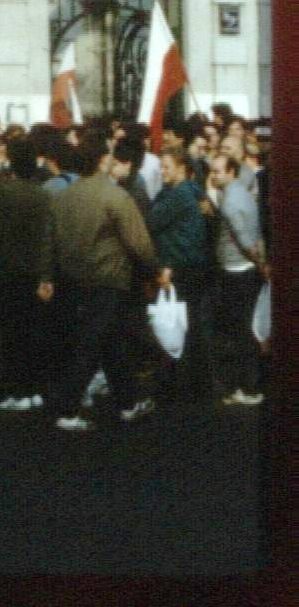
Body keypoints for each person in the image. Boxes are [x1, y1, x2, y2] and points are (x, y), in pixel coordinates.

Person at [38, 141, 161, 432]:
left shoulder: (63, 197)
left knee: (111, 342)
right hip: (109, 278)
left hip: (73, 279)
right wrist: (152, 273)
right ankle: (68, 408)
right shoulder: (115, 196)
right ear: (102, 160)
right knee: (93, 344)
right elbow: (139, 244)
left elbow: (48, 242)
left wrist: (47, 277)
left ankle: (129, 403)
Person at [0, 137, 52, 412]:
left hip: (10, 267)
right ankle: (35, 389)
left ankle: (18, 390)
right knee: (35, 330)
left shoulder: (2, 192)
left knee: (12, 331)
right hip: (37, 267)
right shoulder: (44, 193)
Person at [147, 145, 216, 403]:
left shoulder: (177, 196)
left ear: (182, 168)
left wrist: (167, 265)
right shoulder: (192, 191)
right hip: (192, 267)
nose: (162, 172)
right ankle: (197, 384)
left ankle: (174, 386)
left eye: (167, 167)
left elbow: (151, 221)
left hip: (179, 267)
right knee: (192, 325)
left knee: (174, 325)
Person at [209, 154, 265, 406]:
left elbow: (244, 240)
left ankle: (248, 387)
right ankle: (248, 385)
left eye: (218, 171)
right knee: (246, 329)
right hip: (245, 269)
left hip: (237, 270)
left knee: (241, 332)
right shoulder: (242, 193)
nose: (213, 175)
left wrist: (259, 262)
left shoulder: (230, 201)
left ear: (231, 172)